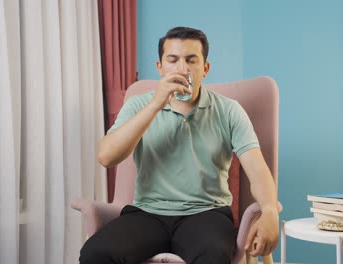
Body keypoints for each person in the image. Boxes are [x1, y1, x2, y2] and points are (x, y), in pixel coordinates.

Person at [80, 26, 279, 264]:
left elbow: (256, 168)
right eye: (172, 60)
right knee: (95, 253)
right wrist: (155, 105)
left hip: (206, 214)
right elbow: (106, 157)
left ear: (205, 69)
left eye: (191, 60)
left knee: (214, 255)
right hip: (147, 214)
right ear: (160, 67)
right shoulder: (138, 105)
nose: (182, 69)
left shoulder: (229, 110)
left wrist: (268, 210)